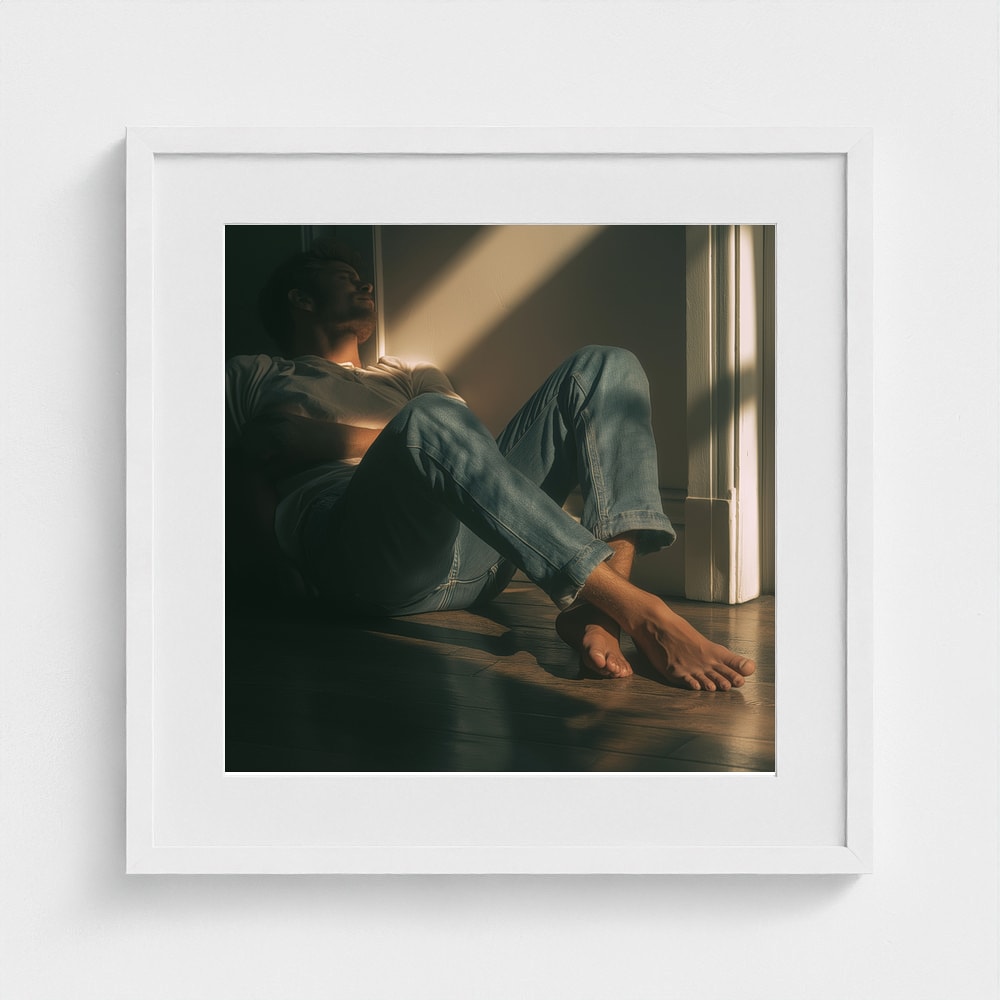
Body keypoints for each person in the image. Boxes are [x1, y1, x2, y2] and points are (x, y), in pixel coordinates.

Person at [225, 240, 756, 692]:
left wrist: (301, 438)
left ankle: (597, 612)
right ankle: (643, 611)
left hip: (475, 552)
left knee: (607, 365)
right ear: (300, 297)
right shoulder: (258, 373)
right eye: (346, 279)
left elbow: (461, 449)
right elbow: (238, 461)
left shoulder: (405, 373)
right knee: (428, 420)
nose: (365, 288)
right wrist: (277, 566)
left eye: (366, 280)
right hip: (359, 549)